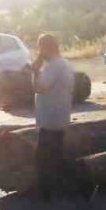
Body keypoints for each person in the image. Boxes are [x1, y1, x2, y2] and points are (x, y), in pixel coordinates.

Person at [31, 34, 75, 200]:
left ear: (45, 47)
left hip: (51, 118)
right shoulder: (64, 63)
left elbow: (40, 87)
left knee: (43, 157)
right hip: (59, 115)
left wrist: (35, 70)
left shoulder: (53, 66)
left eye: (40, 47)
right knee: (56, 154)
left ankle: (46, 192)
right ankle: (61, 188)